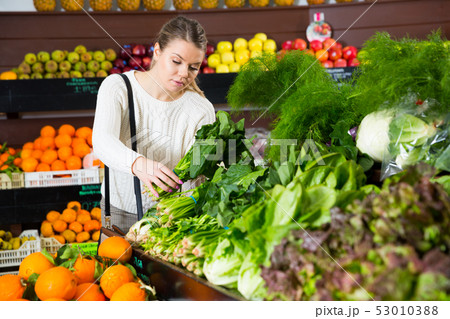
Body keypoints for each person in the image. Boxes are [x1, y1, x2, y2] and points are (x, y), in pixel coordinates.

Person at [92, 16, 216, 232]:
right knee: (118, 266)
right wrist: (139, 164)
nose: (184, 74)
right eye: (176, 61)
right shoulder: (118, 87)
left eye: (193, 67)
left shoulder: (201, 109)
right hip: (119, 213)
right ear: (157, 51)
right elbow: (102, 141)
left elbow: (198, 175)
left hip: (172, 218)